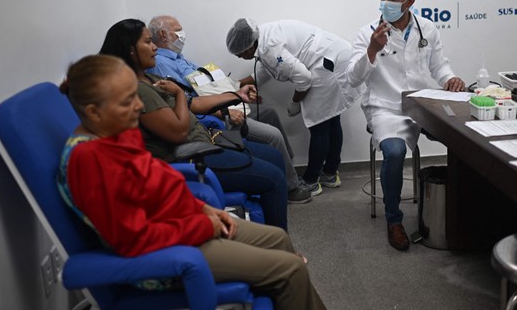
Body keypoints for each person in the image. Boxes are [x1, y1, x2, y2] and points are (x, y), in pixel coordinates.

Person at [57, 54, 326, 310]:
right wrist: (204, 225)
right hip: (171, 253)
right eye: (127, 101)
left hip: (187, 225)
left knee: (278, 238)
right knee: (291, 270)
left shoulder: (115, 134)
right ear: (94, 112)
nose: (139, 106)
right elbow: (135, 241)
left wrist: (205, 209)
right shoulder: (90, 160)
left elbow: (161, 186)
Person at [99, 18, 289, 231]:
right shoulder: (139, 91)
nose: (154, 47)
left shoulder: (150, 79)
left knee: (273, 156)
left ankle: (272, 227)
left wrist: (235, 94)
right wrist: (179, 93)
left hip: (206, 139)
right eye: (147, 42)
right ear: (130, 50)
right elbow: (179, 131)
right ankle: (280, 243)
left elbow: (195, 103)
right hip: (192, 155)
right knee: (274, 178)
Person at [346, 0, 465, 251]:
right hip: (386, 107)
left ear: (410, 1)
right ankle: (394, 220)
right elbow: (353, 79)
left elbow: (439, 66)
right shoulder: (367, 34)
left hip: (424, 103)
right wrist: (372, 51)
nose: (386, 2)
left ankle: (459, 212)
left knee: (463, 139)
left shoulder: (427, 28)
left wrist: (450, 79)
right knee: (396, 152)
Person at [146, 15, 311, 204]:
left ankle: (286, 169)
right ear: (163, 34)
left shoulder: (180, 59)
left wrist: (237, 94)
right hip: (212, 115)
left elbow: (210, 84)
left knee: (269, 114)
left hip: (222, 104)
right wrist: (225, 110)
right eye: (178, 30)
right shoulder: (160, 65)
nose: (183, 35)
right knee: (273, 135)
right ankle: (292, 189)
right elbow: (187, 102)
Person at [226, 19, 364, 196]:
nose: (238, 57)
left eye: (239, 54)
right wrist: (234, 84)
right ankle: (330, 174)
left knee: (319, 125)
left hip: (326, 66)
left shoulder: (269, 48)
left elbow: (304, 78)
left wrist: (295, 102)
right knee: (331, 119)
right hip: (335, 56)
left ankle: (311, 181)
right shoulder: (262, 37)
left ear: (247, 48)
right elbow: (263, 72)